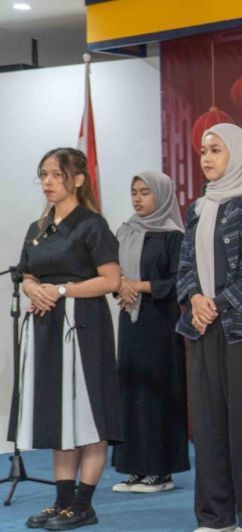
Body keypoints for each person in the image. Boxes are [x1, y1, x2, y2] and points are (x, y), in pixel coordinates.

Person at [10, 147, 122, 530]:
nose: (47, 182)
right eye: (43, 174)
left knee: (88, 413)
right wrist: (32, 288)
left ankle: (83, 504)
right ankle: (61, 502)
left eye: (56, 175)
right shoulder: (38, 228)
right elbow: (26, 273)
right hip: (47, 330)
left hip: (84, 327)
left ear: (77, 179)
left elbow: (111, 281)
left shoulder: (92, 225)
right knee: (60, 415)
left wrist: (59, 292)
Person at [176, 123, 242, 532]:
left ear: (236, 156)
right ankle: (215, 518)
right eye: (204, 150)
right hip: (202, 329)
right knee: (208, 425)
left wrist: (217, 302)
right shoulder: (197, 208)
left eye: (216, 150)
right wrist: (194, 300)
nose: (206, 158)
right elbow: (184, 266)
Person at [111, 171, 189, 493]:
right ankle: (135, 468)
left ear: (162, 196)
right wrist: (120, 289)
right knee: (131, 392)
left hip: (160, 323)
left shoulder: (173, 235)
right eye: (134, 192)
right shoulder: (124, 232)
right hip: (130, 322)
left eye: (145, 192)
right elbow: (113, 275)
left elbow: (180, 282)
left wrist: (137, 286)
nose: (138, 198)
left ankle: (160, 471)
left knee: (157, 393)